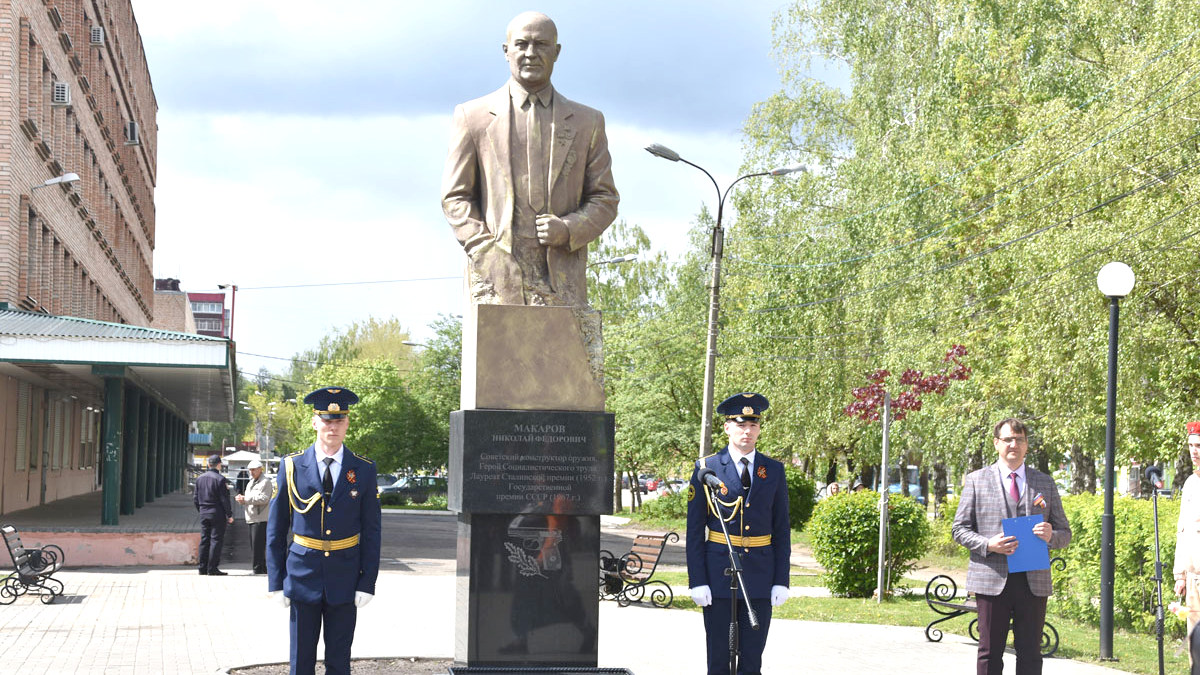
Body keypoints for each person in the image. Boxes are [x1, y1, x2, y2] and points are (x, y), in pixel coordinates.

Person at [441, 11, 619, 307]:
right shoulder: (471, 117)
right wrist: (485, 249)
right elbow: (455, 198)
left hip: (561, 280)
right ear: (506, 50)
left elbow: (605, 199)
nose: (530, 53)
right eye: (522, 44)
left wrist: (569, 229)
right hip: (495, 277)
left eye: (541, 45)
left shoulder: (588, 122)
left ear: (556, 52)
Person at [266, 387, 382, 675]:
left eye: (339, 420)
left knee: (339, 661)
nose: (333, 426)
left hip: (345, 575)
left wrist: (367, 581)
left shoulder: (364, 470)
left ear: (347, 423)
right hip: (302, 574)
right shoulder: (291, 466)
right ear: (314, 422)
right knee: (301, 661)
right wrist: (276, 581)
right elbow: (277, 527)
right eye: (327, 420)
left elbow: (372, 531)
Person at [951, 418, 1071, 675]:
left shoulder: (1045, 483)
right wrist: (987, 544)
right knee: (989, 652)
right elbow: (959, 529)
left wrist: (1051, 535)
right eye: (1008, 439)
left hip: (1033, 580)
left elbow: (1065, 534)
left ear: (1027, 445)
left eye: (1019, 439)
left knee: (1031, 654)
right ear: (997, 443)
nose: (1013, 444)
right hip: (992, 579)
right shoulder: (976, 480)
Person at [686, 392, 791, 675]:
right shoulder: (706, 468)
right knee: (718, 660)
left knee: (751, 661)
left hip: (760, 575)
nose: (747, 431)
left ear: (759, 428)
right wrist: (697, 581)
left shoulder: (774, 470)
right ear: (727, 428)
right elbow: (694, 532)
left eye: (753, 425)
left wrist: (781, 580)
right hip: (718, 575)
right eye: (740, 425)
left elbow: (782, 530)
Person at [1173, 421, 1200, 672]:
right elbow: (1183, 531)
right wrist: (1180, 574)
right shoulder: (1191, 482)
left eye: (1199, 446)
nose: (1194, 451)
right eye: (1191, 445)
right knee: (1195, 647)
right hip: (1193, 579)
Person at [194, 454, 233, 576]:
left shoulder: (199, 479)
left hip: (204, 512)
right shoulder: (220, 479)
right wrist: (229, 514)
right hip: (217, 513)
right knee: (216, 540)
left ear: (209, 464)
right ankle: (212, 568)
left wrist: (201, 510)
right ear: (219, 464)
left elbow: (195, 498)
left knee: (204, 540)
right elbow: (224, 499)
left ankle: (202, 567)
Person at [235, 459, 273, 574]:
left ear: (260, 469)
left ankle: (258, 568)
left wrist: (245, 499)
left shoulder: (265, 482)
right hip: (252, 517)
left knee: (258, 545)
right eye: (250, 470)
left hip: (260, 518)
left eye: (253, 470)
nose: (251, 472)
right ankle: (261, 568)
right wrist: (242, 500)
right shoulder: (251, 482)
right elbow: (249, 497)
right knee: (255, 545)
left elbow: (264, 498)